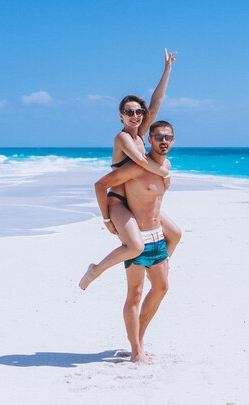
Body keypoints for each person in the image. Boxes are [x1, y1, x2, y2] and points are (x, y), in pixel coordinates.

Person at [79, 49, 181, 290]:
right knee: (135, 247)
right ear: (121, 116)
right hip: (119, 202)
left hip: (136, 200)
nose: (134, 116)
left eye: (138, 112)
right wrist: (165, 173)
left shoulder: (140, 134)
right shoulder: (123, 138)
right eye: (129, 112)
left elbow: (156, 103)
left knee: (174, 234)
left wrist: (167, 69)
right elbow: (142, 163)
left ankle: (157, 267)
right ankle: (95, 270)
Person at [92, 121, 177, 364]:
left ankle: (139, 338)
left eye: (168, 137)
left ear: (173, 141)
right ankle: (135, 349)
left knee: (161, 288)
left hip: (157, 237)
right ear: (148, 140)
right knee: (135, 294)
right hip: (138, 238)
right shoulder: (136, 167)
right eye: (158, 136)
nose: (163, 141)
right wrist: (108, 218)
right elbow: (101, 185)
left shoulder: (166, 167)